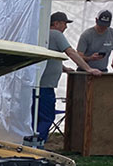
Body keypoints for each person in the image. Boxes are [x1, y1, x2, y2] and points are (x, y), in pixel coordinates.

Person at [27, 12, 102, 144]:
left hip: (35, 85)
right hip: (45, 86)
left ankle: (32, 142)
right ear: (56, 23)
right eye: (64, 23)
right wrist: (88, 68)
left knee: (35, 117)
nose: (66, 27)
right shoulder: (56, 35)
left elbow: (49, 57)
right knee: (47, 117)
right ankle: (38, 143)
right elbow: (71, 52)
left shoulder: (42, 35)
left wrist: (64, 68)